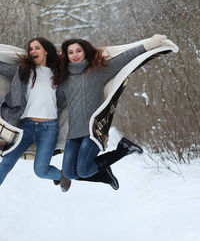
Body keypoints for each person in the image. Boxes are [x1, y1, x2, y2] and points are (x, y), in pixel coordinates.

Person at [0, 37, 71, 218]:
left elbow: (81, 72)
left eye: (37, 47)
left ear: (46, 50)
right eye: (30, 48)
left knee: (41, 171)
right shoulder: (23, 71)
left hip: (49, 129)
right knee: (5, 165)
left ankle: (61, 176)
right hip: (26, 127)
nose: (33, 51)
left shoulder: (59, 72)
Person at [56, 35, 168, 189]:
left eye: (78, 51)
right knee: (69, 173)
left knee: (83, 170)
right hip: (73, 133)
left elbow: (124, 58)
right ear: (66, 55)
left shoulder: (97, 71)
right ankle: (104, 172)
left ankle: (123, 149)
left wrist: (148, 45)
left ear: (85, 52)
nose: (75, 55)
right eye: (71, 52)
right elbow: (54, 101)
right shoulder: (64, 78)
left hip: (93, 130)